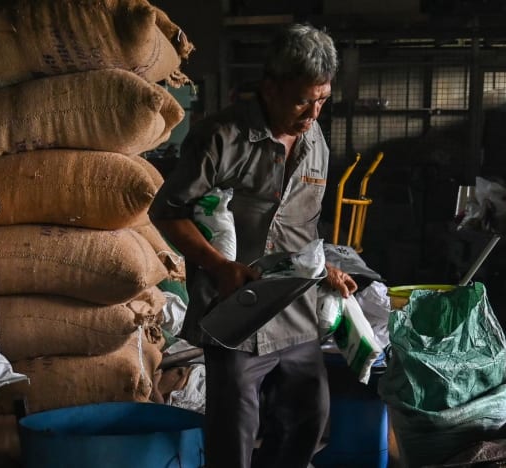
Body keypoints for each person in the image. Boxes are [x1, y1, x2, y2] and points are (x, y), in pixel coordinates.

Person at [149, 23, 357, 468]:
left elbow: (305, 225)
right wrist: (219, 265)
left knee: (311, 417)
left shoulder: (314, 139)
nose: (312, 113)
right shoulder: (220, 138)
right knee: (236, 432)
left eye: (322, 99)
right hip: (236, 311)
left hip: (295, 306)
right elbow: (166, 211)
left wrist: (325, 271)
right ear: (270, 88)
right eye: (303, 99)